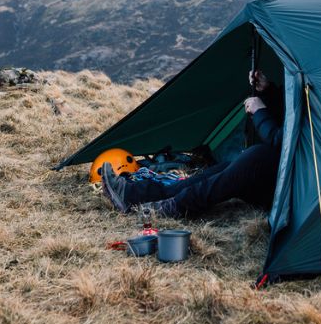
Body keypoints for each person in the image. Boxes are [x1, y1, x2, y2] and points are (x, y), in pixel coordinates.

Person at [100, 70, 283, 218]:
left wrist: (260, 113)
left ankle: (176, 207)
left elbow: (283, 140)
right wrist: (268, 91)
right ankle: (134, 195)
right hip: (276, 176)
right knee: (229, 167)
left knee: (258, 155)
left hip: (287, 191)